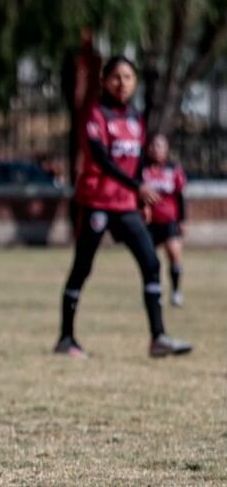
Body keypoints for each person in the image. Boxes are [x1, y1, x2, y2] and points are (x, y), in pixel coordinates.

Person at [53, 56, 193, 361]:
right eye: (116, 76)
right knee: (82, 267)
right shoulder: (95, 113)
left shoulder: (135, 118)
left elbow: (139, 162)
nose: (122, 83)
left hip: (125, 204)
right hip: (96, 202)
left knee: (151, 263)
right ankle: (66, 338)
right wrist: (137, 188)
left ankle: (158, 338)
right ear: (104, 80)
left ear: (135, 82)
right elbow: (103, 159)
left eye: (129, 77)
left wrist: (140, 198)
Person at [142, 134, 187, 308]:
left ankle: (176, 291)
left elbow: (180, 196)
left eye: (160, 146)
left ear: (167, 149)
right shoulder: (142, 169)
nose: (155, 149)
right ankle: (155, 291)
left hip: (169, 220)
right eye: (153, 145)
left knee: (174, 254)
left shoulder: (173, 170)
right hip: (149, 222)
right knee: (150, 259)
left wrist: (182, 220)